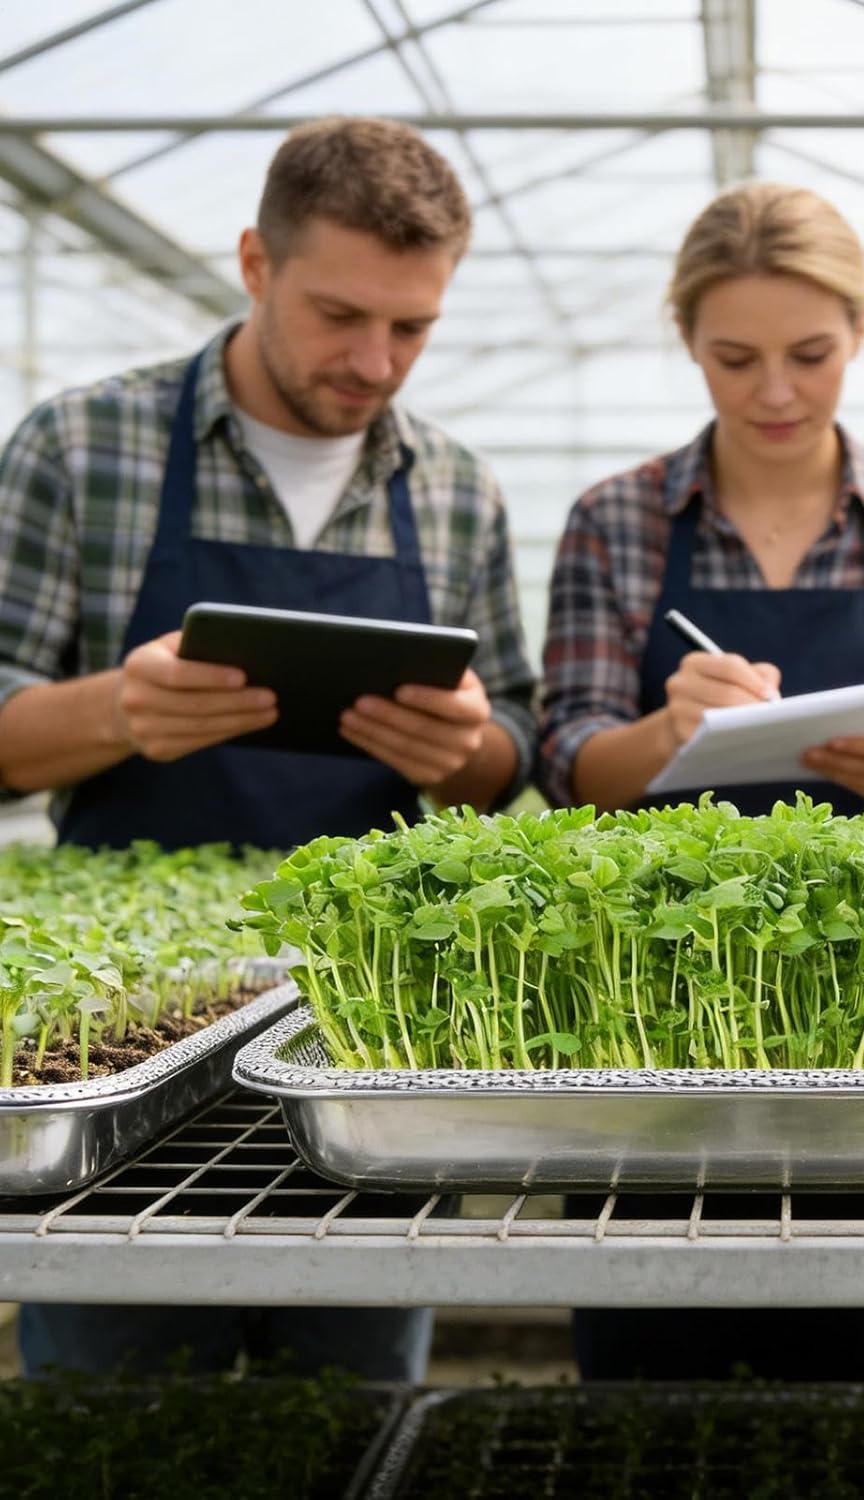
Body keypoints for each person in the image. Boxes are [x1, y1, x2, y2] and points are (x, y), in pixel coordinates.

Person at [0, 117, 538, 1378]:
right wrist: (114, 714)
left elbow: (518, 744)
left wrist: (461, 748)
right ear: (254, 263)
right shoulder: (85, 448)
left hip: (374, 1037)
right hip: (118, 1044)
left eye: (413, 328)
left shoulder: (456, 487)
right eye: (340, 314)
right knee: (113, 1406)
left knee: (354, 1398)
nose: (374, 360)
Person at [537, 181, 864, 1379]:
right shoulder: (618, 521)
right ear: (687, 341)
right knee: (653, 1346)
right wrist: (667, 728)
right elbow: (567, 761)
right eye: (734, 357)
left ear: (860, 332)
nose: (776, 392)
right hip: (652, 1005)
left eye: (811, 353)